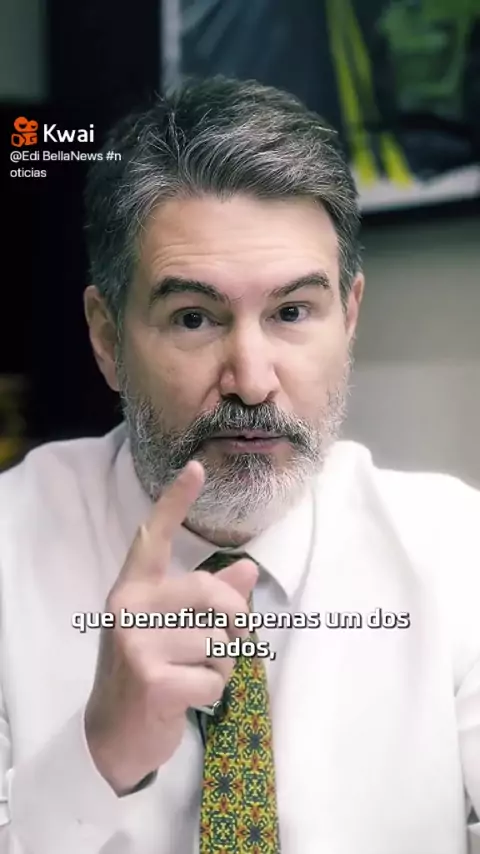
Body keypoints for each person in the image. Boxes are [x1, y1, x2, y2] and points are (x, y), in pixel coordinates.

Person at [0, 75, 479, 854]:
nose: (252, 381)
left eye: (292, 312)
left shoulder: (458, 551)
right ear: (108, 338)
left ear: (349, 317)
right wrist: (98, 757)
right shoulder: (7, 548)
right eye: (194, 318)